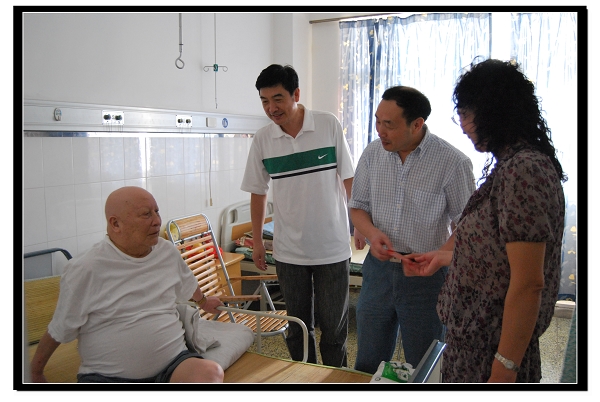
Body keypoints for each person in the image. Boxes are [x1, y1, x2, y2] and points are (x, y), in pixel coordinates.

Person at [396, 58, 567, 383]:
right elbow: (497, 254)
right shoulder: (511, 165)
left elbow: (529, 283)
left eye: (465, 114)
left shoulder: (524, 171)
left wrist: (504, 368)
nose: (462, 125)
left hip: (492, 354)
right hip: (475, 346)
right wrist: (443, 256)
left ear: (493, 112)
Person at [30, 186, 225, 383]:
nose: (157, 221)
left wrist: (203, 302)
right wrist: (36, 371)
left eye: (156, 212)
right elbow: (60, 327)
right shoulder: (86, 268)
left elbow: (187, 283)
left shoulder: (166, 252)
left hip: (172, 365)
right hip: (107, 376)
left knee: (211, 373)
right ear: (115, 224)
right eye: (146, 214)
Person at [349, 86, 475, 374]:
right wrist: (372, 233)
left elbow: (468, 226)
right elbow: (357, 207)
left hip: (426, 278)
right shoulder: (372, 154)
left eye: (389, 124)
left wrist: (439, 257)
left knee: (424, 361)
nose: (380, 130)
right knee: (368, 359)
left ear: (417, 124)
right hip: (378, 271)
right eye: (377, 121)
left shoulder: (452, 162)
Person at [240, 64, 354, 367]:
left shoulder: (327, 125)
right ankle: (303, 378)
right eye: (265, 101)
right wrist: (258, 241)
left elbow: (349, 178)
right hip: (289, 252)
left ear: (296, 94)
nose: (271, 108)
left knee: (334, 330)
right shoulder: (263, 139)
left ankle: (335, 378)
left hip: (332, 248)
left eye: (278, 99)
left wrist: (358, 224)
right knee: (297, 329)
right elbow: (257, 191)